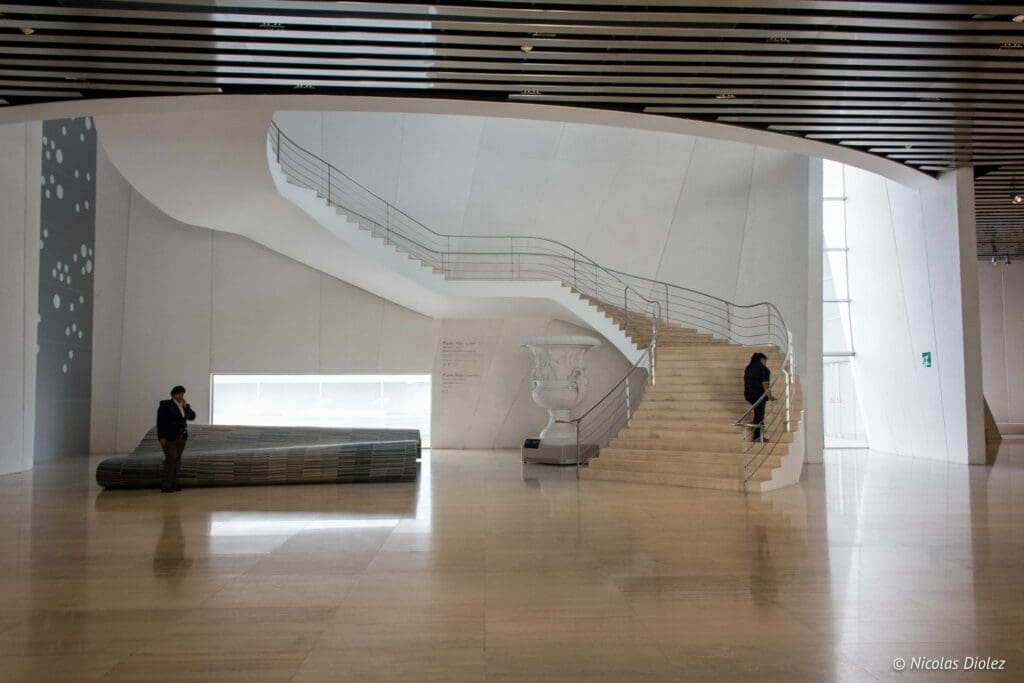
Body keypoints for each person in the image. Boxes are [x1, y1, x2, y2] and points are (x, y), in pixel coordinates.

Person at [156, 385, 196, 493]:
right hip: (169, 437)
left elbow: (192, 417)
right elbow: (160, 422)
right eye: (179, 394)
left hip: (181, 437)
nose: (181, 396)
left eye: (182, 394)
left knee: (177, 461)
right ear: (173, 395)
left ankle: (175, 484)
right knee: (171, 459)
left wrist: (186, 407)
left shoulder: (183, 406)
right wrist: (161, 437)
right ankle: (166, 486)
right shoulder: (165, 405)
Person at [743, 353, 774, 442]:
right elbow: (765, 384)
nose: (765, 363)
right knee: (760, 415)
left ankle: (755, 425)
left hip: (749, 394)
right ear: (761, 359)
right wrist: (770, 396)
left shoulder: (748, 368)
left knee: (758, 413)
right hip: (759, 395)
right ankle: (757, 437)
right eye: (765, 361)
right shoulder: (764, 369)